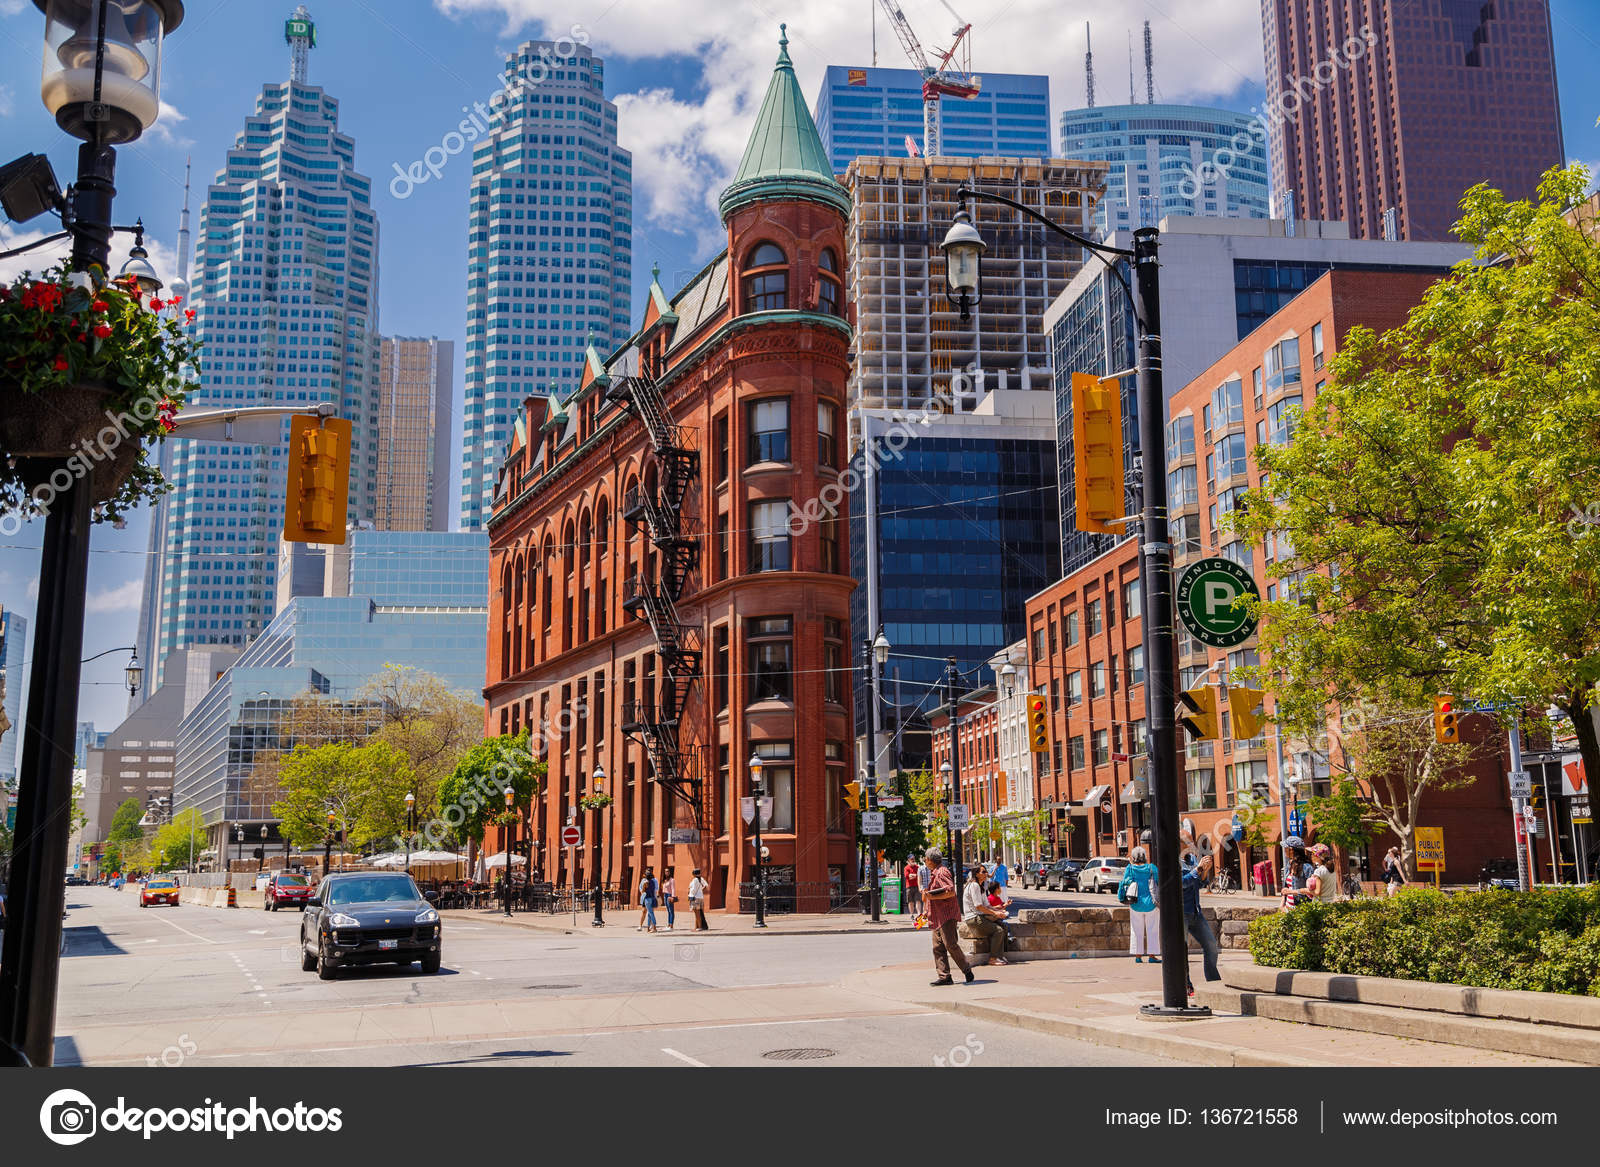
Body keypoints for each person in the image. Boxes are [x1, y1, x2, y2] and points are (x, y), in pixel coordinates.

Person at [922, 848, 973, 986]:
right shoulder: (935, 873)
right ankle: (944, 976)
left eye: (925, 858)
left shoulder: (942, 872)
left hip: (946, 915)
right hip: (937, 916)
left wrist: (932, 896)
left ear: (930, 860)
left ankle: (967, 970)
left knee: (950, 944)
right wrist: (927, 909)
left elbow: (950, 891)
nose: (925, 861)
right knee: (937, 947)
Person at [1181, 854, 1221, 994]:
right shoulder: (1171, 861)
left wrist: (1205, 870)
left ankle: (1214, 982)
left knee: (1211, 946)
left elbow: (1201, 884)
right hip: (1180, 912)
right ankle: (1185, 984)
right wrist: (1198, 869)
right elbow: (1181, 883)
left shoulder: (1191, 859)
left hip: (1195, 911)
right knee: (1182, 951)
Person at [1118, 846, 1160, 963]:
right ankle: (1152, 956)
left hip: (1135, 903)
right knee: (1153, 930)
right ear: (1144, 856)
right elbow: (1158, 881)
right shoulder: (1152, 868)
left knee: (1136, 930)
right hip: (1151, 903)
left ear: (1133, 857)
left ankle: (1138, 956)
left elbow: (1125, 882)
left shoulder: (1130, 868)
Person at [962, 866, 1008, 965]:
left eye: (986, 871)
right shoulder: (974, 886)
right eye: (983, 872)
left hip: (980, 916)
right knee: (998, 930)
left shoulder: (981, 887)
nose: (986, 873)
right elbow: (978, 906)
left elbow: (987, 906)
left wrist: (999, 910)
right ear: (977, 874)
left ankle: (1000, 955)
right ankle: (993, 958)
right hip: (973, 918)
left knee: (1004, 926)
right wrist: (995, 913)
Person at [637, 867, 658, 933]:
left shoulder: (646, 882)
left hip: (647, 899)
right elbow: (655, 890)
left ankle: (654, 927)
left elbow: (643, 891)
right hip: (652, 898)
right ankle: (648, 928)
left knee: (651, 913)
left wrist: (644, 887)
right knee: (649, 913)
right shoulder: (653, 882)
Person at [660, 867, 677, 932]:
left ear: (670, 872)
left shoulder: (672, 880)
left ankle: (671, 925)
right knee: (668, 911)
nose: (666, 872)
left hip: (670, 895)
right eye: (665, 871)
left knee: (671, 911)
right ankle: (668, 924)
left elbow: (673, 889)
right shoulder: (664, 880)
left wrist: (672, 897)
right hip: (665, 895)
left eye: (668, 871)